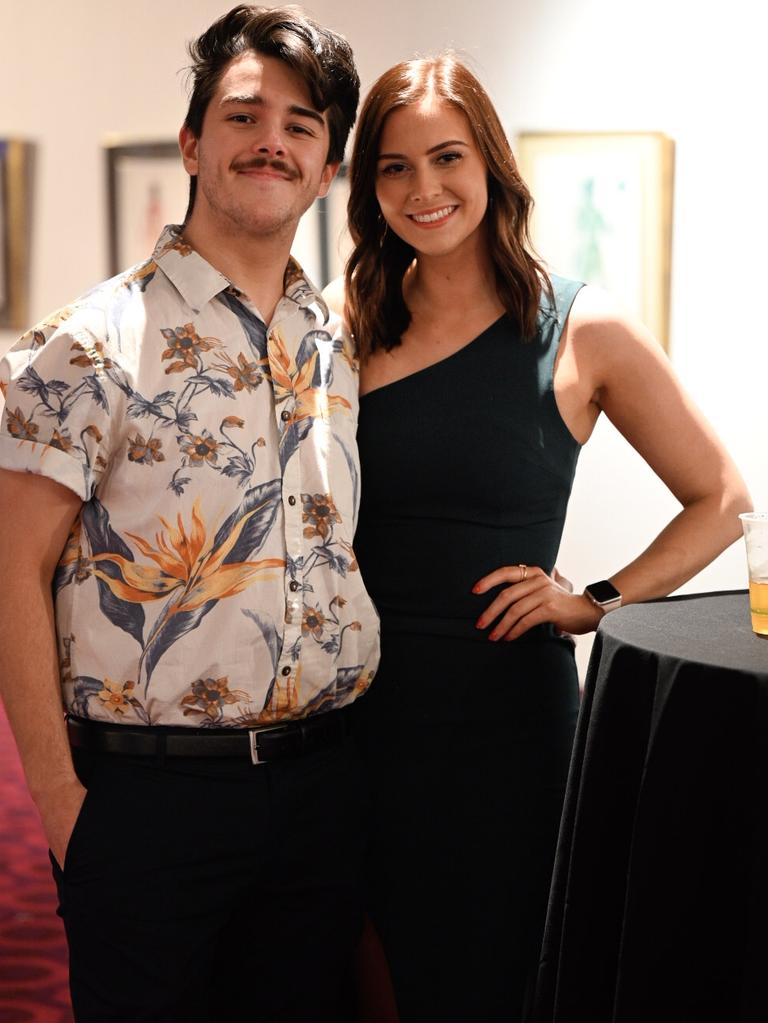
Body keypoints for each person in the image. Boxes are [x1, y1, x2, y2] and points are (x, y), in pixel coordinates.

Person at [324, 55, 752, 1022]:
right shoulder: (347, 327)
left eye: (446, 157)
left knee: (507, 977)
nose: (423, 189)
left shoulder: (580, 327)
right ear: (369, 189)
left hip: (507, 727)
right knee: (376, 971)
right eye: (393, 168)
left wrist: (596, 599)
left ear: (492, 165)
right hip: (364, 715)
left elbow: (722, 497)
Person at [0, 7, 378, 1021]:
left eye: (303, 125)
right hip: (149, 805)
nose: (273, 141)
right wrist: (64, 809)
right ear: (192, 143)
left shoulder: (335, 338)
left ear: (328, 164)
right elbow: (11, 576)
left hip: (321, 788)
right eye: (245, 115)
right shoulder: (89, 341)